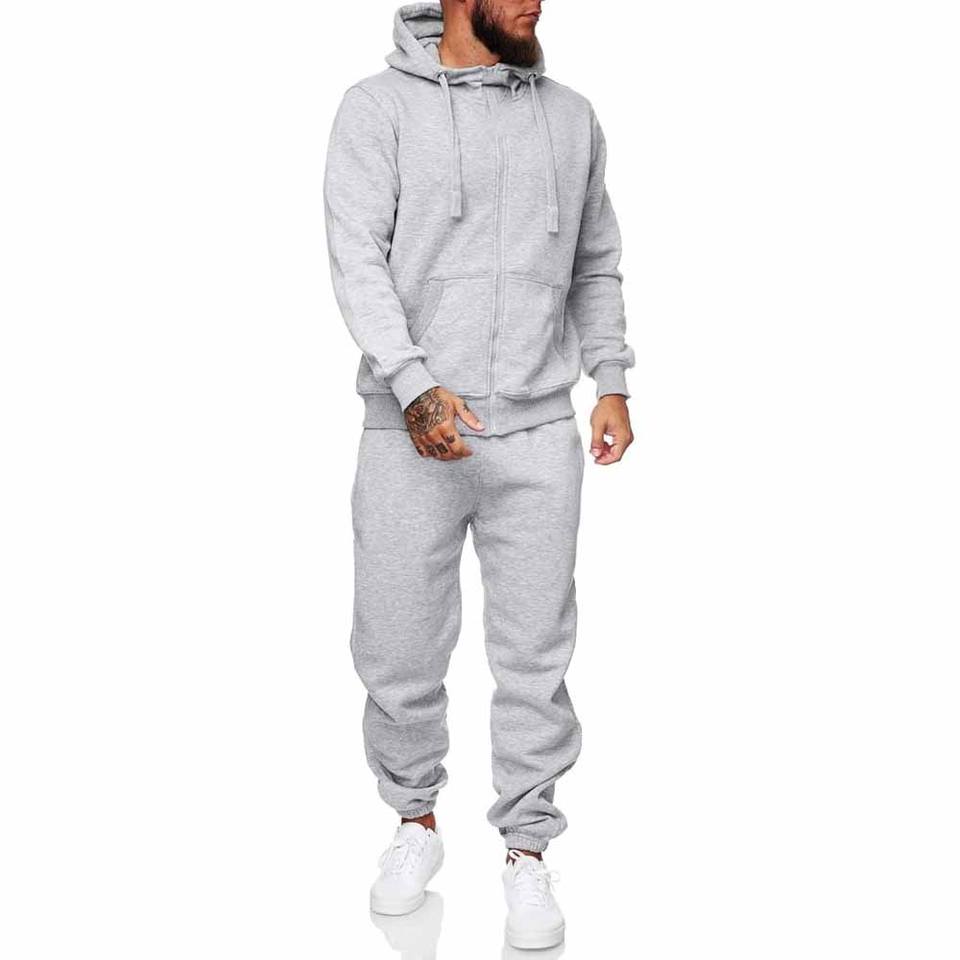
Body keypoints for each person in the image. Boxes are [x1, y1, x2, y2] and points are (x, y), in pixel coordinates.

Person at [323, 0, 635, 949]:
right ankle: (413, 822)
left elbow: (595, 260)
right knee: (397, 647)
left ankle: (528, 850)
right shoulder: (378, 108)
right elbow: (356, 258)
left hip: (539, 429)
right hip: (408, 431)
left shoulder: (571, 116)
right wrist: (413, 384)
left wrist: (611, 379)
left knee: (537, 655)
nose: (538, 2)